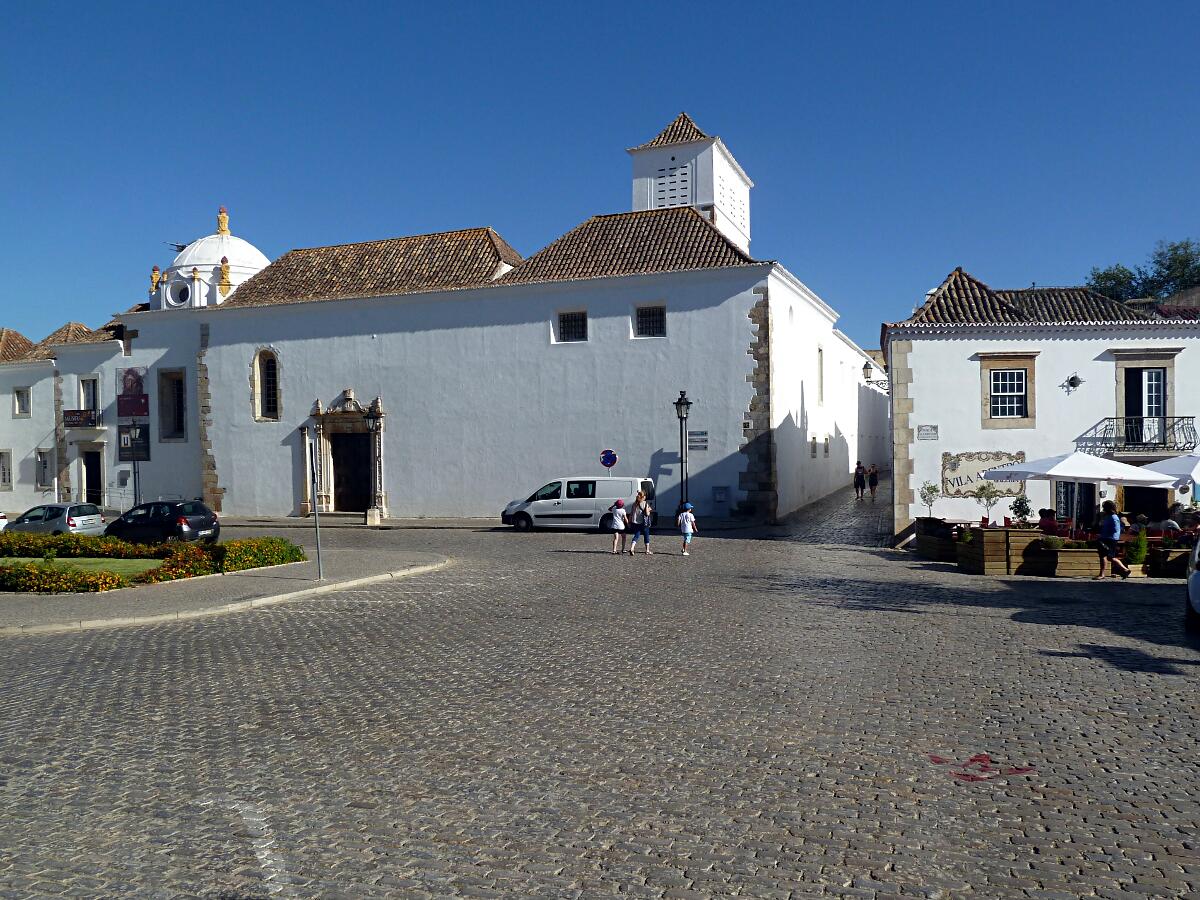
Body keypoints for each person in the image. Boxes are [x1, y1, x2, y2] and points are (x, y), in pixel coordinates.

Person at [1095, 499, 1131, 580]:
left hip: (1109, 539)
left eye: (1104, 508)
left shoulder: (1114, 517)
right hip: (1106, 538)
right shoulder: (1108, 517)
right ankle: (1125, 570)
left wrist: (1107, 535)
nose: (1103, 509)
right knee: (1110, 557)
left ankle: (1102, 574)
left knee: (1105, 556)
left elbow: (1116, 529)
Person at [628, 491, 653, 555]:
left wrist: (629, 522)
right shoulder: (645, 503)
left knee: (636, 535)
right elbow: (647, 514)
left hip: (635, 522)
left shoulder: (634, 504)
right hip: (644, 523)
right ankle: (647, 550)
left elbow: (631, 514)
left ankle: (632, 548)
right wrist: (649, 510)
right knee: (646, 536)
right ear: (643, 497)